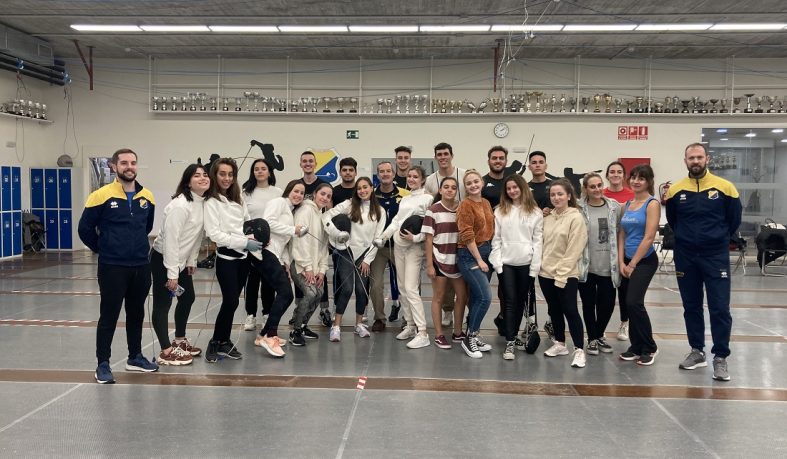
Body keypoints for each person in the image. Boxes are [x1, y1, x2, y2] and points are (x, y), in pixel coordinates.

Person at [78, 148, 158, 383]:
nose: (129, 167)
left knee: (136, 313)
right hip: (112, 266)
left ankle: (135, 357)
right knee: (109, 315)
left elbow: (146, 227)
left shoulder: (147, 197)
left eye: (133, 162)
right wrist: (104, 248)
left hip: (141, 265)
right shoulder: (100, 196)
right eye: (124, 163)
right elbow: (84, 229)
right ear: (114, 166)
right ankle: (103, 364)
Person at [203, 158, 293, 362]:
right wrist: (244, 242)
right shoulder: (211, 202)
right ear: (215, 175)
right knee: (230, 301)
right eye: (222, 174)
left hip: (243, 259)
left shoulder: (238, 199)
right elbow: (214, 234)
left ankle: (225, 341)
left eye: (230, 174)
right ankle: (215, 342)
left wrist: (256, 238)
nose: (227, 178)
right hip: (227, 259)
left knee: (234, 302)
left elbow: (246, 224)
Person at [667, 143, 741, 381]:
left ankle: (720, 357)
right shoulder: (675, 191)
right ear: (685, 161)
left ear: (707, 159)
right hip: (686, 256)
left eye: (699, 157)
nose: (695, 161)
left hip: (715, 255)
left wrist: (716, 239)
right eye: (691, 158)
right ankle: (697, 351)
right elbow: (673, 221)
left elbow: (733, 220)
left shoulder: (726, 188)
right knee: (691, 306)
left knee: (720, 307)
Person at [150, 163, 210, 366]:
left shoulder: (202, 203)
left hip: (181, 261)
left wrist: (191, 260)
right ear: (188, 182)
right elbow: (171, 241)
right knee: (163, 303)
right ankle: (166, 351)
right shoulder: (180, 206)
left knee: (187, 297)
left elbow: (197, 235)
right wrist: (172, 273)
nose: (203, 178)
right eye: (197, 175)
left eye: (205, 174)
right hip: (163, 259)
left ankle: (180, 341)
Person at [376, 166, 435, 349]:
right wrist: (383, 236)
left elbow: (430, 226)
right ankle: (410, 325)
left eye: (415, 176)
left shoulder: (428, 199)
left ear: (422, 179)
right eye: (409, 176)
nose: (411, 179)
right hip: (398, 246)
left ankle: (422, 332)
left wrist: (415, 238)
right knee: (402, 287)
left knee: (411, 288)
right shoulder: (405, 199)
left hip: (414, 249)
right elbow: (396, 221)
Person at [323, 177, 385, 342]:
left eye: (365, 187)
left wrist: (368, 260)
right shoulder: (348, 204)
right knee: (347, 288)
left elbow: (378, 238)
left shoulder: (379, 210)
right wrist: (336, 233)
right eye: (359, 188)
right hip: (346, 251)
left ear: (372, 188)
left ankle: (359, 324)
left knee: (361, 290)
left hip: (365, 254)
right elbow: (326, 216)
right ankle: (336, 326)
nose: (362, 191)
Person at [489, 175, 543, 360]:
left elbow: (538, 242)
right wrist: (498, 265)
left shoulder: (535, 212)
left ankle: (514, 334)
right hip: (506, 265)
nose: (512, 191)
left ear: (522, 188)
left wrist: (534, 269)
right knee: (511, 302)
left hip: (526, 264)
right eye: (509, 188)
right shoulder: (499, 211)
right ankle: (510, 341)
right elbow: (496, 240)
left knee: (520, 302)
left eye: (515, 187)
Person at [538, 178, 588, 368]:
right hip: (545, 274)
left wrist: (561, 274)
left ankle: (579, 350)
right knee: (554, 310)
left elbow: (575, 249)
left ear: (569, 196)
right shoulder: (547, 218)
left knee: (570, 310)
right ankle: (560, 343)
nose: (556, 197)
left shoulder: (576, 218)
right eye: (553, 195)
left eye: (560, 194)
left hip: (566, 275)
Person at [617, 165, 660, 366]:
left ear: (649, 181)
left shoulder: (652, 204)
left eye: (641, 178)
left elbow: (649, 237)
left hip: (643, 261)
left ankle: (649, 347)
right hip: (626, 261)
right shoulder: (627, 204)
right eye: (633, 177)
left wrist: (633, 263)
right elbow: (622, 234)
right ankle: (636, 346)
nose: (636, 181)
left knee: (634, 302)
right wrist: (621, 262)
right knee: (628, 304)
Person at [257, 179, 306, 352]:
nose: (298, 195)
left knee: (286, 295)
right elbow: (267, 223)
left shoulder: (290, 211)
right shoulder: (278, 202)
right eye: (296, 191)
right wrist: (293, 230)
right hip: (265, 252)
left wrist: (285, 263)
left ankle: (264, 334)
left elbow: (283, 243)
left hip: (275, 255)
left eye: (302, 193)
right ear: (288, 190)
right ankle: (270, 336)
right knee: (285, 293)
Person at [577, 172, 621, 357]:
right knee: (588, 304)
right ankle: (592, 339)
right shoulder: (578, 208)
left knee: (607, 304)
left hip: (609, 266)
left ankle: (599, 333)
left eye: (599, 185)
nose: (596, 189)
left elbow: (620, 232)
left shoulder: (614, 207)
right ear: (586, 189)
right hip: (587, 266)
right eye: (592, 186)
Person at [422, 176, 467, 349]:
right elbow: (428, 239)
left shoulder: (462, 208)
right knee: (439, 297)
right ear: (440, 190)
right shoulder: (433, 210)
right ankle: (439, 335)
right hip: (439, 259)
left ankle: (457, 332)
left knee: (462, 296)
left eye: (453, 187)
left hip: (458, 260)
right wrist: (429, 265)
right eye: (446, 187)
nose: (450, 190)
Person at [424, 142, 466, 327]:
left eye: (445, 154)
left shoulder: (463, 175)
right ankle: (447, 312)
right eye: (439, 154)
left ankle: (462, 322)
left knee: (463, 289)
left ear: (452, 155)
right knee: (442, 288)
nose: (443, 157)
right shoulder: (430, 180)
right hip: (441, 237)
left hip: (461, 238)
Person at [456, 170, 495, 358]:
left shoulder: (486, 203)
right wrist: (479, 259)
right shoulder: (465, 205)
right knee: (485, 297)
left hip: (487, 252)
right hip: (469, 254)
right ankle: (469, 337)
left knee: (476, 298)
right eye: (469, 183)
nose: (473, 185)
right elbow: (466, 234)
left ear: (482, 183)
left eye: (476, 181)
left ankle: (474, 332)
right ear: (465, 187)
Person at [241, 158, 283, 332]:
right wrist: (248, 239)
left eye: (263, 168)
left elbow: (281, 216)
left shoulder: (278, 192)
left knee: (268, 281)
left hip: (270, 244)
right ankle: (250, 315)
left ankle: (267, 313)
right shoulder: (245, 193)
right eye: (256, 169)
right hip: (250, 243)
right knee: (252, 281)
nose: (259, 171)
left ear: (269, 172)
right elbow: (243, 218)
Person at [289, 183, 332, 345]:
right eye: (322, 194)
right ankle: (295, 331)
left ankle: (303, 325)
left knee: (319, 293)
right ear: (315, 194)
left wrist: (321, 270)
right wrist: (307, 267)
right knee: (311, 293)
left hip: (314, 267)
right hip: (299, 263)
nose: (325, 198)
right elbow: (300, 242)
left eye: (328, 196)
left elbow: (323, 247)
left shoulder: (322, 216)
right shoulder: (305, 210)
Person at [370, 161, 409, 330]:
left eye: (388, 171)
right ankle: (379, 318)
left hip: (400, 246)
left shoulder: (406, 195)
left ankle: (408, 319)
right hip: (378, 248)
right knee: (376, 284)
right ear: (378, 175)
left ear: (393, 174)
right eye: (381, 171)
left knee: (406, 284)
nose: (385, 174)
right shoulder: (371, 195)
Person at [298, 150, 331, 326]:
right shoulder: (298, 187)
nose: (308, 164)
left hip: (317, 244)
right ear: (300, 164)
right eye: (305, 161)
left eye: (311, 161)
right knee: (308, 290)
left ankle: (323, 311)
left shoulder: (324, 185)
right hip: (301, 250)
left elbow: (329, 209)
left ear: (316, 163)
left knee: (319, 286)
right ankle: (298, 320)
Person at [603, 160, 634, 341]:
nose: (615, 174)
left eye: (619, 172)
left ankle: (624, 323)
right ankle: (601, 326)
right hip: (605, 249)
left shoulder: (632, 195)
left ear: (624, 175)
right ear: (607, 175)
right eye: (612, 171)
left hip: (627, 248)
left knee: (625, 290)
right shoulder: (601, 194)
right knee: (605, 292)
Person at [528, 150, 554, 341]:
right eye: (534, 162)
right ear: (529, 166)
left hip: (551, 243)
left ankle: (552, 321)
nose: (537, 165)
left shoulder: (554, 186)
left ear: (546, 165)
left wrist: (551, 212)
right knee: (529, 286)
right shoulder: (524, 188)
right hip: (529, 243)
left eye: (540, 162)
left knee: (551, 286)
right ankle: (530, 323)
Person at [483, 146, 509, 336]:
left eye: (501, 158)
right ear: (489, 161)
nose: (498, 161)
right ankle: (473, 322)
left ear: (506, 161)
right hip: (485, 242)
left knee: (506, 287)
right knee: (480, 287)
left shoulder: (512, 183)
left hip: (507, 243)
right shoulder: (482, 183)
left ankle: (504, 318)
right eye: (494, 158)